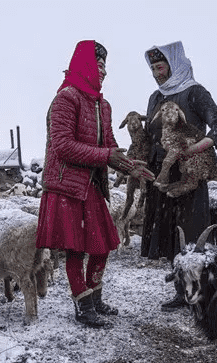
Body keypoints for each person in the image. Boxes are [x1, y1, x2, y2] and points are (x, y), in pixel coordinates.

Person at [36, 40, 153, 328]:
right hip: (66, 185)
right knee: (75, 249)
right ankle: (83, 304)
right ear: (85, 65)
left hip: (91, 184)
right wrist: (106, 155)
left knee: (101, 245)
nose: (103, 73)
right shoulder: (66, 98)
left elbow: (110, 145)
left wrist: (130, 165)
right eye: (99, 66)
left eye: (105, 68)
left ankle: (95, 296)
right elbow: (62, 146)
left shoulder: (103, 105)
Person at [140, 41, 217, 311]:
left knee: (191, 232)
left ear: (174, 64)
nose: (157, 73)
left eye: (161, 66)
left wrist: (195, 148)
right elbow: (150, 136)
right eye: (154, 68)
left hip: (190, 173)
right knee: (170, 233)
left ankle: (204, 291)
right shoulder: (155, 98)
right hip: (162, 173)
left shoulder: (195, 93)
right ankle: (183, 291)